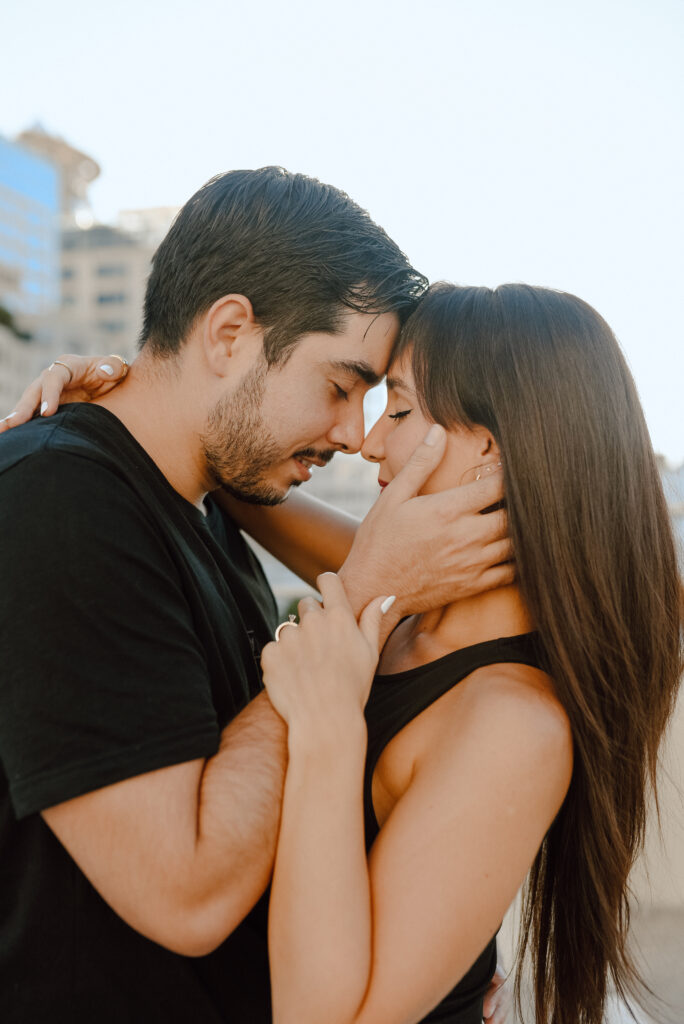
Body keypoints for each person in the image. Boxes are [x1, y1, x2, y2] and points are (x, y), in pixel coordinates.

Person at [0, 170, 512, 1023]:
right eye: (342, 386)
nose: (354, 436)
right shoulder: (62, 506)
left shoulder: (203, 502)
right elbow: (188, 896)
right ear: (230, 332)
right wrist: (360, 597)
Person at [251, 283, 681, 1024]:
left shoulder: (511, 723)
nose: (370, 439)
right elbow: (269, 506)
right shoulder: (411, 603)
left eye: (403, 408)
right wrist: (132, 418)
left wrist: (325, 732)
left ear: (490, 449)